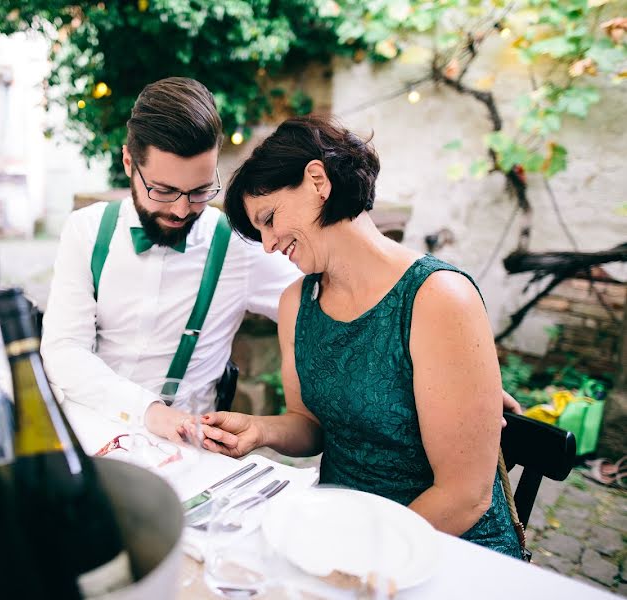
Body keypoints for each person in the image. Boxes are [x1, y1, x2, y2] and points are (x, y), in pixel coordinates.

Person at [201, 115, 522, 557]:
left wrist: (359, 556)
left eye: (270, 219)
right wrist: (258, 430)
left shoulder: (438, 298)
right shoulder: (297, 303)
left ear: (318, 181)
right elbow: (310, 425)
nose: (270, 245)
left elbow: (465, 496)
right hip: (339, 528)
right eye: (261, 234)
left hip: (443, 546)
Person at [40, 77, 301, 441]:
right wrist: (148, 412)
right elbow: (63, 351)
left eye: (199, 191)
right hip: (88, 435)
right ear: (129, 162)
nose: (181, 210)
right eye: (163, 191)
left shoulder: (241, 247)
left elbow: (319, 308)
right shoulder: (85, 231)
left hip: (187, 451)